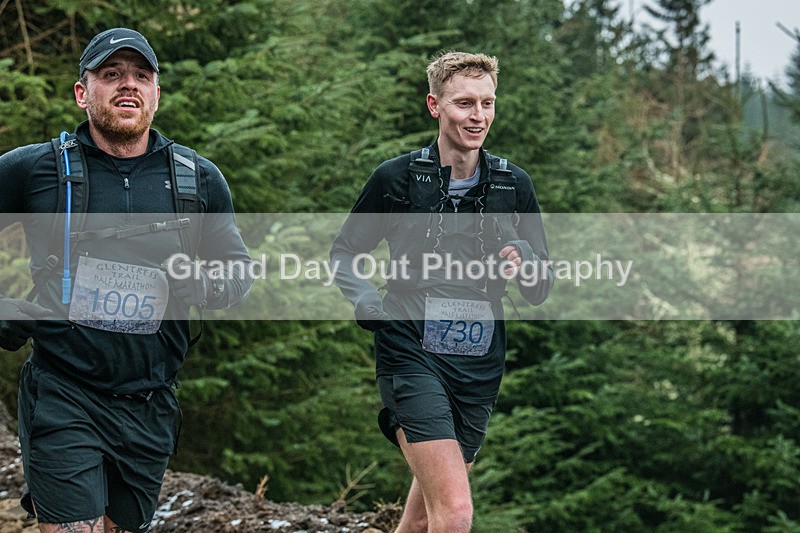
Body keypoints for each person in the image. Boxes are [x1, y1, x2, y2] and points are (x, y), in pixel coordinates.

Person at [0, 28, 252, 533]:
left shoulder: (196, 179)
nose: (127, 86)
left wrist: (207, 286)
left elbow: (238, 269)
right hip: (63, 390)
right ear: (82, 91)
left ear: (157, 92)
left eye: (141, 75)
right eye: (110, 75)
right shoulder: (36, 169)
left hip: (150, 402)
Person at [331, 51, 554, 532]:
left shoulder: (514, 185)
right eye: (464, 103)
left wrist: (524, 259)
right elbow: (345, 252)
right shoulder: (395, 178)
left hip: (478, 361)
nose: (478, 117)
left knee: (421, 521)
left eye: (488, 103)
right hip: (410, 351)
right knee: (455, 512)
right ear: (435, 105)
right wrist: (367, 300)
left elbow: (540, 288)